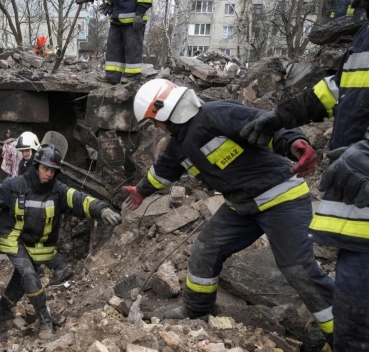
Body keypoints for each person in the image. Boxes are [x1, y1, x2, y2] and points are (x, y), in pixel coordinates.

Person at [123, 79, 335, 345]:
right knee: (205, 250)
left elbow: (266, 123)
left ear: (164, 110)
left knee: (297, 270)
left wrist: (295, 143)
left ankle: (344, 333)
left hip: (282, 198)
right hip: (242, 207)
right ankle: (197, 309)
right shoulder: (178, 145)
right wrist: (142, 191)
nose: (155, 127)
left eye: (154, 120)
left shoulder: (216, 114)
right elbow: (161, 173)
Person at [240, 0, 369, 349]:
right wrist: (283, 116)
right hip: (358, 213)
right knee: (352, 320)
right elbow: (345, 90)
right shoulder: (364, 34)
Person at [0, 144, 122, 340]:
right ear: (37, 166)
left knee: (20, 282)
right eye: (45, 169)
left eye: (53, 171)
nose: (48, 174)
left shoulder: (58, 191)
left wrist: (102, 210)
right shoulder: (14, 186)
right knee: (29, 275)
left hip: (37, 245)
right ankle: (44, 319)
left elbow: (80, 200)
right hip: (13, 239)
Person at [76, 0, 155, 85]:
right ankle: (112, 76)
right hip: (116, 18)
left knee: (132, 49)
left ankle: (132, 77)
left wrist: (140, 13)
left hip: (133, 19)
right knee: (113, 48)